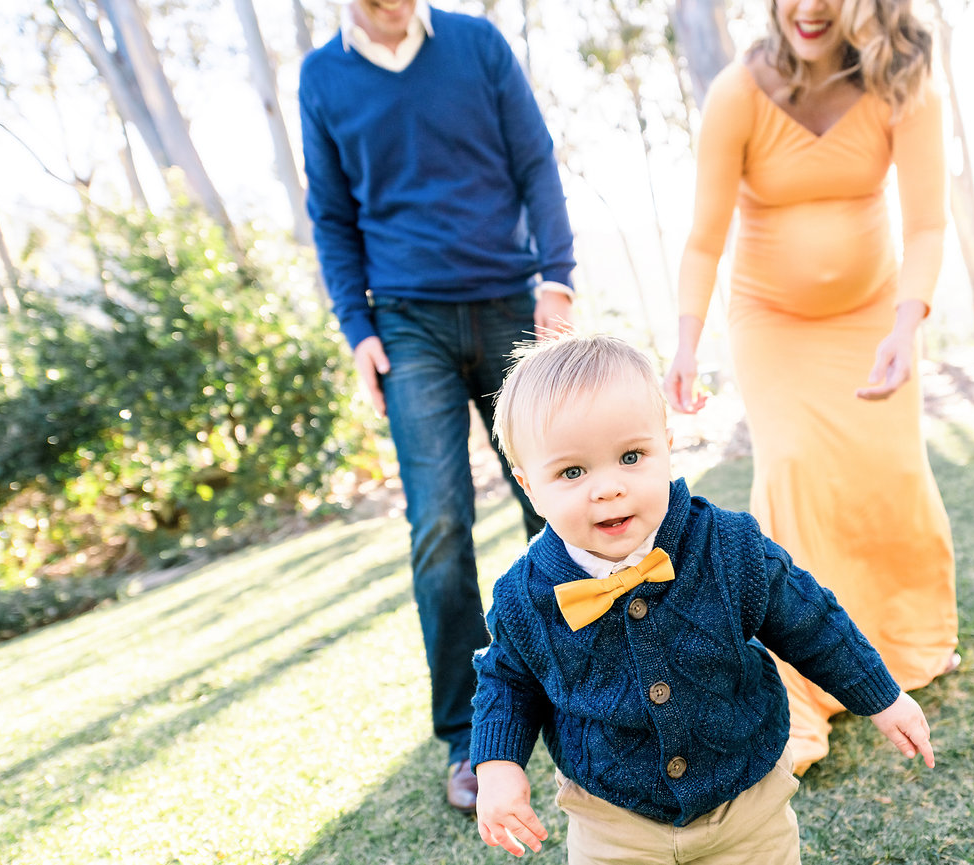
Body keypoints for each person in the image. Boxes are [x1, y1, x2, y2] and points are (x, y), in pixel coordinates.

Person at [470, 333, 935, 863]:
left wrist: (881, 696)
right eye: (572, 472)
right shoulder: (523, 595)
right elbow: (507, 680)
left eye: (631, 456)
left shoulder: (729, 546)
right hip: (611, 817)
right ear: (529, 486)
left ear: (666, 447)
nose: (608, 488)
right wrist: (498, 767)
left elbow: (811, 622)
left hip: (744, 797)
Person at [663, 0, 959, 776]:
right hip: (774, 321)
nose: (810, 8)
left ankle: (906, 644)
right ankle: (798, 691)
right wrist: (687, 341)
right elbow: (704, 238)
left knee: (889, 473)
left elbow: (927, 225)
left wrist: (906, 324)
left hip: (875, 315)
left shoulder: (902, 81)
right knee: (792, 469)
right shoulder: (738, 92)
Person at [298, 0, 577, 814]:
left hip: (509, 302)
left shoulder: (476, 44)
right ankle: (470, 737)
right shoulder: (322, 76)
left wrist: (556, 277)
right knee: (440, 524)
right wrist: (357, 329)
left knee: (553, 499)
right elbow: (332, 216)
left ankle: (588, 689)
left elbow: (535, 162)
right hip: (406, 321)